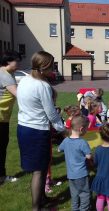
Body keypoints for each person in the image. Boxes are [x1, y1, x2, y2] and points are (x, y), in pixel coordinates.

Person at [17, 51, 65, 210]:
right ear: (43, 67)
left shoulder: (24, 80)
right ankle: (37, 207)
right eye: (52, 66)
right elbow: (51, 114)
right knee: (39, 170)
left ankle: (42, 199)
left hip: (24, 127)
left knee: (43, 166)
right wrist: (63, 131)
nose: (53, 69)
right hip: (37, 131)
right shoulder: (42, 85)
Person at [58, 115, 92, 211]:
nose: (86, 131)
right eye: (86, 129)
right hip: (81, 174)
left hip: (71, 174)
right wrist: (90, 155)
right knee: (85, 194)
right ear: (81, 129)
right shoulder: (82, 143)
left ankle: (75, 209)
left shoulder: (66, 140)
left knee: (74, 194)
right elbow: (89, 156)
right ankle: (84, 209)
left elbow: (59, 149)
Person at [0, 50, 21, 184]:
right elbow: (19, 95)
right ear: (8, 61)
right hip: (0, 117)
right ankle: (1, 176)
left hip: (3, 117)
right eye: (16, 61)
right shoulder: (5, 75)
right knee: (1, 147)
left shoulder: (7, 73)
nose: (18, 63)